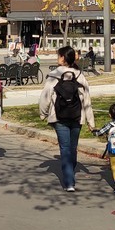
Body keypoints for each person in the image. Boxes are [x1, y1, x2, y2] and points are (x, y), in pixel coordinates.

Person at [39, 45, 96, 191]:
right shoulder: (80, 76)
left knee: (64, 148)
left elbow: (45, 97)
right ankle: (71, 170)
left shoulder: (53, 75)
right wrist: (91, 121)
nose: (57, 58)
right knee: (73, 147)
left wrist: (43, 113)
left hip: (59, 117)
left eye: (59, 56)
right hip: (77, 117)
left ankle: (69, 182)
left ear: (63, 58)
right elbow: (87, 100)